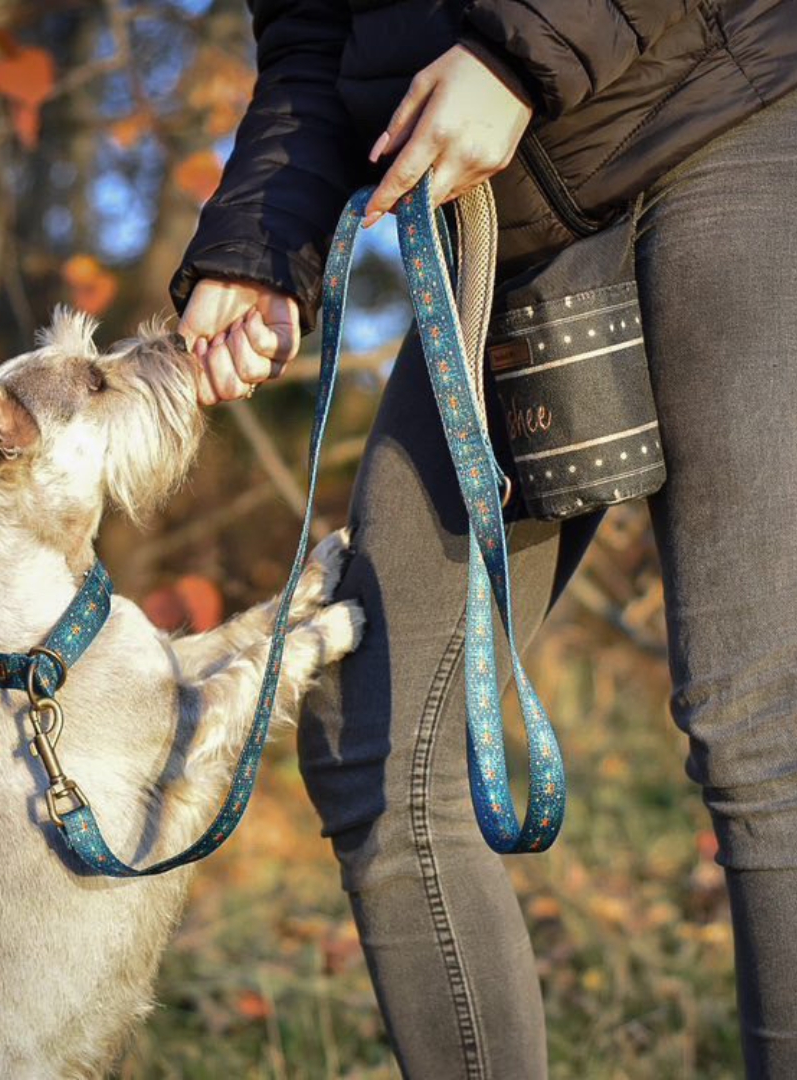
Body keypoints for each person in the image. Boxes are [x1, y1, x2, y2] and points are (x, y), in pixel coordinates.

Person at [171, 2, 797, 1076]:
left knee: (760, 722)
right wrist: (265, 241)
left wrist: (518, 52)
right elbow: (316, 38)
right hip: (509, 231)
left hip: (720, 112)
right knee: (374, 746)